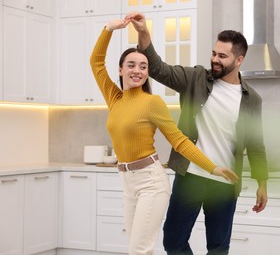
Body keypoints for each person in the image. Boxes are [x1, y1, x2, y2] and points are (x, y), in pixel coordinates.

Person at [89, 18, 239, 255]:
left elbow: (179, 140)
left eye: (143, 67)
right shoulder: (114, 98)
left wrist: (213, 169)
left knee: (139, 250)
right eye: (131, 65)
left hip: (151, 182)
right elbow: (96, 62)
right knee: (136, 248)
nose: (137, 71)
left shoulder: (152, 103)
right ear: (120, 70)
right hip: (127, 182)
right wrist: (108, 29)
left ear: (147, 73)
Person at [128, 12, 269, 254]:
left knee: (218, 247)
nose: (215, 59)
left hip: (225, 183)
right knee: (172, 241)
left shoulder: (251, 99)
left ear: (239, 60)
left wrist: (262, 182)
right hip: (190, 176)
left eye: (222, 56)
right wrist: (143, 34)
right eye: (214, 53)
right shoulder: (195, 78)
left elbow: (255, 144)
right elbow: (159, 69)